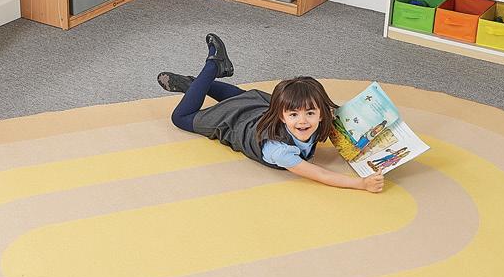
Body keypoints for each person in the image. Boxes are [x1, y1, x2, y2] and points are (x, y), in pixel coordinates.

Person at [158, 33, 385, 192]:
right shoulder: (280, 150)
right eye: (294, 115)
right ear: (281, 114)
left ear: (322, 113)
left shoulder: (314, 116)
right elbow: (321, 174)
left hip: (257, 105)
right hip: (233, 122)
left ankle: (196, 86)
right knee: (180, 118)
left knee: (240, 98)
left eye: (310, 113)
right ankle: (213, 66)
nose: (303, 121)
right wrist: (361, 184)